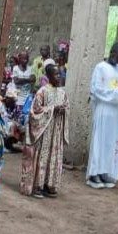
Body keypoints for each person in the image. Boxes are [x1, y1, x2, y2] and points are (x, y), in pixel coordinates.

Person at [20, 64, 69, 198]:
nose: (59, 77)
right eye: (56, 74)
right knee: (43, 156)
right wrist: (53, 109)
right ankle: (38, 185)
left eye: (60, 74)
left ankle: (50, 184)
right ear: (48, 76)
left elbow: (66, 106)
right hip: (44, 131)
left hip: (56, 131)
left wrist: (64, 110)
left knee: (54, 157)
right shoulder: (42, 91)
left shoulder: (62, 92)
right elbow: (34, 111)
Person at [86, 42, 118, 189]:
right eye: (117, 55)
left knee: (110, 142)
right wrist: (115, 93)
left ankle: (105, 171)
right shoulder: (100, 67)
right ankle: (94, 173)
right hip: (104, 108)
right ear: (111, 52)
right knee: (100, 141)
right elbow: (96, 89)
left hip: (116, 111)